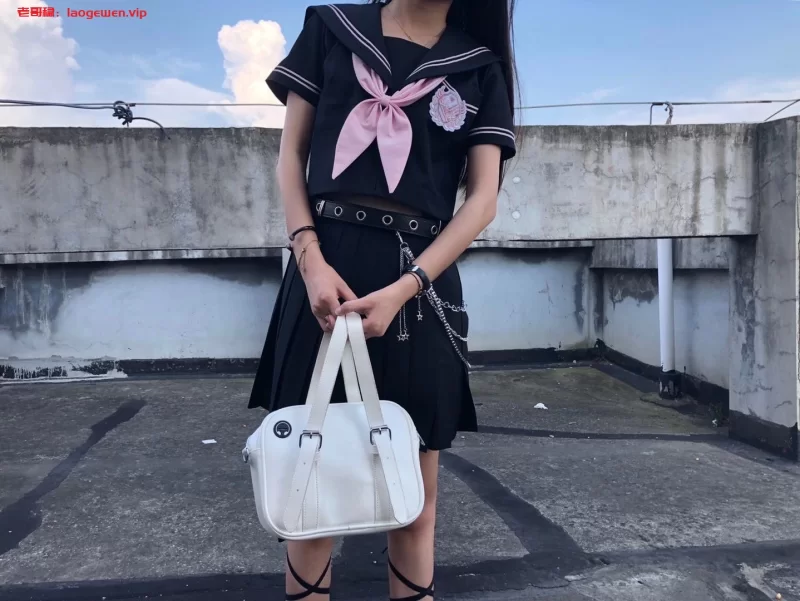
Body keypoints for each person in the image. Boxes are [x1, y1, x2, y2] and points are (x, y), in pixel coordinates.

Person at [249, 0, 518, 598]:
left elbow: (482, 201)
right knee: (310, 496)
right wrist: (310, 260)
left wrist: (405, 287)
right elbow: (291, 157)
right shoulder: (331, 29)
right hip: (323, 269)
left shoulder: (478, 67)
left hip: (418, 286)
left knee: (413, 503)